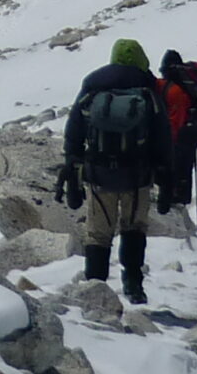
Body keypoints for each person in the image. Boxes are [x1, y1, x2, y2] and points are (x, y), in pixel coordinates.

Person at [57, 37, 176, 305]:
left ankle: (94, 288)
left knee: (98, 232)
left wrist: (72, 169)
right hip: (138, 174)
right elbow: (162, 136)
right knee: (134, 226)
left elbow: (74, 130)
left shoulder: (93, 86)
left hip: (99, 172)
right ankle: (133, 284)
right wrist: (166, 175)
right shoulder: (147, 90)